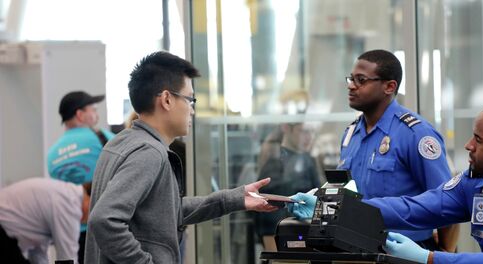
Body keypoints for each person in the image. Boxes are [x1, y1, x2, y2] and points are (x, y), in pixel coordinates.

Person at [290, 104, 483, 263]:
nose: (467, 146)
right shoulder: (478, 183)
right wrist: (335, 208)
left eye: (478, 140)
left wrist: (429, 258)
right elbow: (415, 209)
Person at [84, 51, 277, 264]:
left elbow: (166, 212)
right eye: (189, 99)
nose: (192, 110)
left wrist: (235, 199)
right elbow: (104, 220)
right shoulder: (149, 153)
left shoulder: (120, 142)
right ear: (167, 99)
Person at [337, 49, 457, 251]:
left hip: (405, 249)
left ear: (389, 86)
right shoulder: (351, 134)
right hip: (357, 248)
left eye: (361, 80)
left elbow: (447, 202)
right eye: (351, 79)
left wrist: (444, 254)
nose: (351, 86)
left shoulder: (415, 134)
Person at [47, 91, 114, 263]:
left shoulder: (52, 153)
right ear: (80, 114)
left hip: (70, 230)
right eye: (93, 109)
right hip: (105, 225)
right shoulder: (102, 138)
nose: (96, 114)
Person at [255, 122, 322, 250]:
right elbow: (268, 213)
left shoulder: (307, 160)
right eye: (303, 131)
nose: (308, 137)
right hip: (284, 234)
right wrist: (274, 252)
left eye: (311, 132)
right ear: (286, 128)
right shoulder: (276, 161)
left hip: (308, 234)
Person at [0, 178, 91, 264]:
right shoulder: (70, 203)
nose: (88, 220)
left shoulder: (63, 193)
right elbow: (67, 258)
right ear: (91, 198)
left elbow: (38, 254)